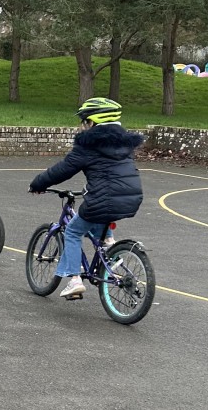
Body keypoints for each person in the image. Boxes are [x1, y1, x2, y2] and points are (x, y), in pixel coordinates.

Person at [27, 97, 144, 299]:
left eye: (84, 121)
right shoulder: (125, 144)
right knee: (101, 219)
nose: (82, 126)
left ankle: (74, 281)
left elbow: (62, 170)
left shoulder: (88, 146)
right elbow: (111, 174)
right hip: (131, 198)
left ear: (93, 122)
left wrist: (38, 184)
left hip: (103, 200)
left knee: (72, 231)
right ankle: (110, 246)